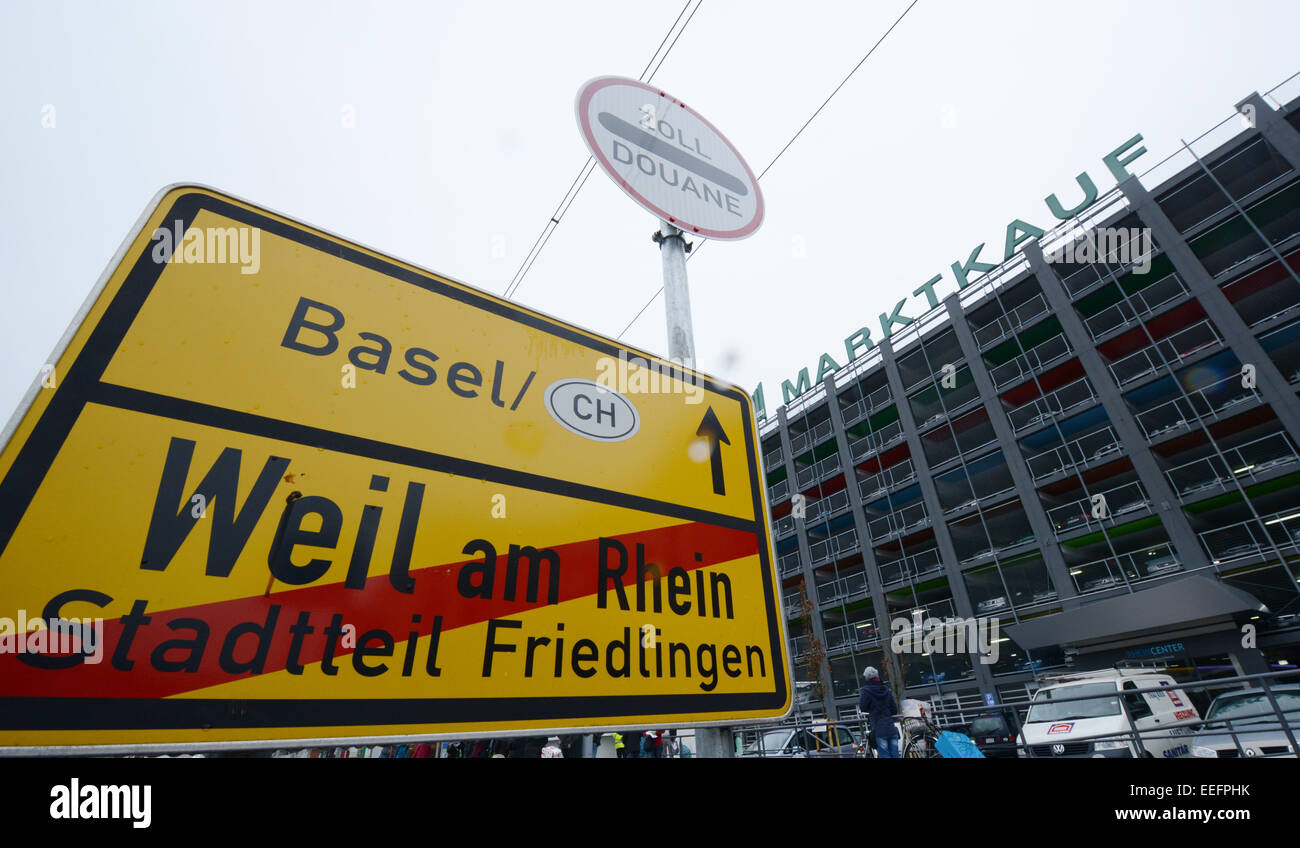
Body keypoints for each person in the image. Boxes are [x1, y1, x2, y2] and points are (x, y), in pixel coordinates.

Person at [859, 666, 900, 758]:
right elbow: (894, 709)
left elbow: (863, 707)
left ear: (866, 678)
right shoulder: (886, 689)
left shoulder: (866, 690)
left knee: (884, 755)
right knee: (895, 755)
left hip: (879, 728)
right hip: (891, 728)